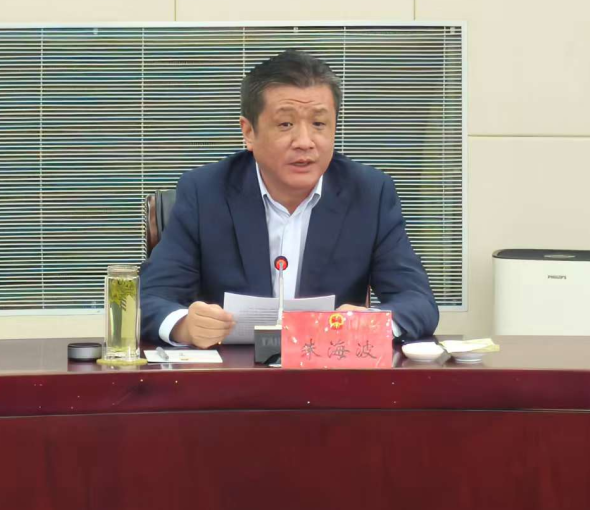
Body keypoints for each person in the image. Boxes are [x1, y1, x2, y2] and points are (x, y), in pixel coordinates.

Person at [140, 49, 439, 347]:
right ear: (249, 132)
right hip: (232, 370)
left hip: (329, 369)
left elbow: (417, 301)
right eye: (286, 124)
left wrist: (370, 324)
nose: (305, 142)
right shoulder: (205, 193)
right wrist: (184, 326)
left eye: (319, 124)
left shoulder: (369, 194)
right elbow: (148, 298)